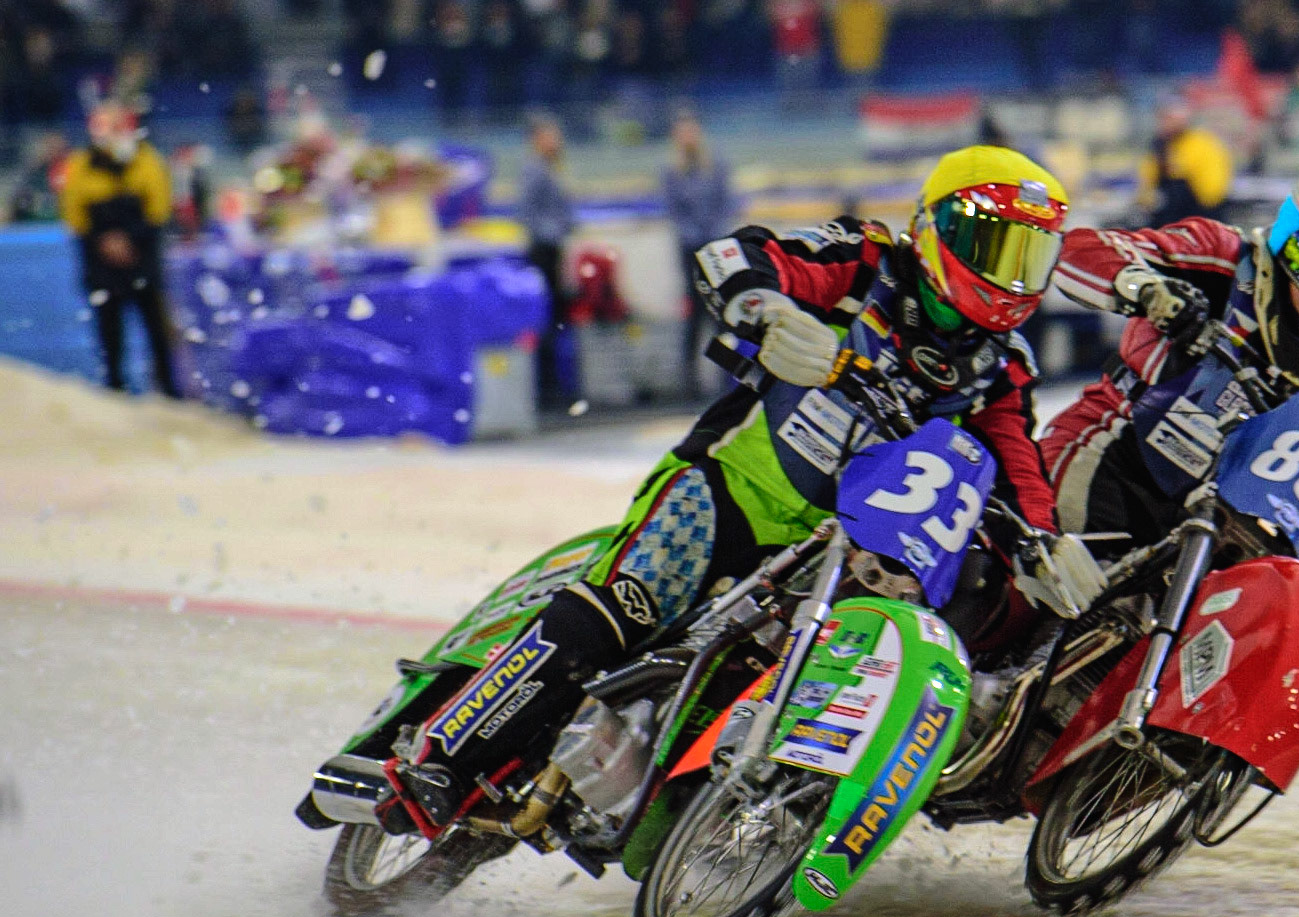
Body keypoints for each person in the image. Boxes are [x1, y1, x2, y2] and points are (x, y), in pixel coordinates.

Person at [384, 145, 1107, 830]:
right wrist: (770, 310)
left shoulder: (997, 367)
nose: (1011, 275)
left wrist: (1042, 542)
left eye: (1029, 256)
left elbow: (1015, 464)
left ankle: (720, 811)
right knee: (626, 604)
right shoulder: (866, 262)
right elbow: (739, 254)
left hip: (834, 548)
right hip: (729, 486)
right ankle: (444, 753)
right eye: (995, 247)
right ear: (936, 228)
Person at [1042, 152, 1299, 565]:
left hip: (1218, 526)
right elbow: (1081, 250)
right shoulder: (1222, 257)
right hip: (1110, 458)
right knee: (1056, 595)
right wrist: (1149, 292)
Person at [59, 103, 179, 398]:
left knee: (156, 328)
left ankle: (167, 390)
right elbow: (74, 215)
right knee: (110, 330)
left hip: (142, 258)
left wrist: (131, 240)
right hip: (101, 263)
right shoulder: (80, 164)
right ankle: (115, 388)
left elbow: (160, 210)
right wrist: (105, 241)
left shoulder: (147, 160)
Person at [661, 114, 739, 399]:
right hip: (690, 252)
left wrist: (713, 238)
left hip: (716, 252)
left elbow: (726, 202)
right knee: (693, 314)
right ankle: (689, 382)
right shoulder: (671, 170)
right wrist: (694, 238)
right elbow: (674, 211)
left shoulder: (716, 165)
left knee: (722, 315)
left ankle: (727, 379)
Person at [516, 112, 576, 409]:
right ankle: (547, 389)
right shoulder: (534, 170)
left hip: (553, 248)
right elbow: (529, 213)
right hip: (543, 251)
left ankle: (555, 385)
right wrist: (555, 232)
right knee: (547, 318)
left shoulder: (551, 168)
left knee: (558, 319)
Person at [1138, 100, 1233, 227]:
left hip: (1200, 216)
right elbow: (1148, 184)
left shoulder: (1202, 144)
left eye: (1170, 119)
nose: (1165, 124)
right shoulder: (1161, 145)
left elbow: (1211, 193)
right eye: (1164, 119)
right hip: (1168, 217)